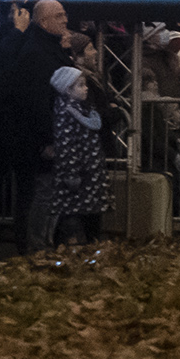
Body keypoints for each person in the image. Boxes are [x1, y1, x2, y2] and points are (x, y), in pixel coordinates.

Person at [48, 64, 108, 243]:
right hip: (79, 176)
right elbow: (68, 145)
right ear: (67, 89)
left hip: (89, 173)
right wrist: (71, 173)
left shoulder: (83, 110)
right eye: (80, 85)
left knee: (88, 214)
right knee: (72, 216)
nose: (86, 88)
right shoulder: (67, 114)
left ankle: (89, 244)